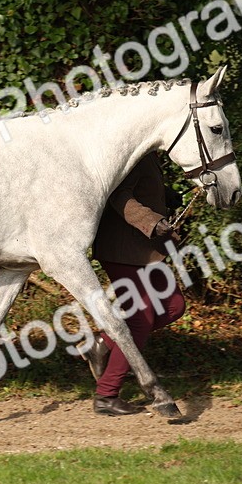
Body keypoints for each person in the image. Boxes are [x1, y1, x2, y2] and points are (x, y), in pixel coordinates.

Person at [89, 152, 186, 415]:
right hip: (122, 248)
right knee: (140, 320)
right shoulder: (131, 151)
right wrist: (152, 221)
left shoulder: (148, 152)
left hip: (145, 250)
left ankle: (104, 342)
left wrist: (166, 196)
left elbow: (141, 187)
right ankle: (106, 396)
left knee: (174, 306)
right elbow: (119, 195)